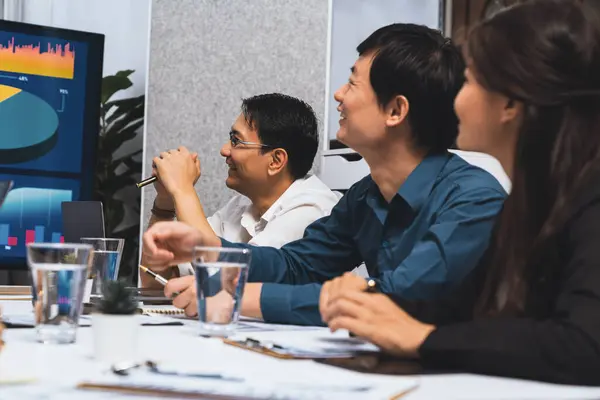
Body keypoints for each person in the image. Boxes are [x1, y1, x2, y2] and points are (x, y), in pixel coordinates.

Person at [143, 23, 507, 326]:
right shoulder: (365, 196)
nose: (338, 95)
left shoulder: (473, 198)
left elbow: (398, 297)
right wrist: (209, 249)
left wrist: (235, 295)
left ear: (395, 110)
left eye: (352, 83)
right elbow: (297, 266)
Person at [319, 0, 600, 385]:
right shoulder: (533, 203)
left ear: (510, 103)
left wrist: (423, 339)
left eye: (468, 80)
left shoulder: (589, 197)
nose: (455, 99)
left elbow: (584, 344)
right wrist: (365, 303)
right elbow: (460, 307)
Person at [141, 93, 341, 288]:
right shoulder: (241, 205)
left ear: (276, 160)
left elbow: (223, 278)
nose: (224, 150)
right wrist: (165, 203)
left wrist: (182, 189)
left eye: (236, 141)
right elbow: (154, 282)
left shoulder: (312, 209)